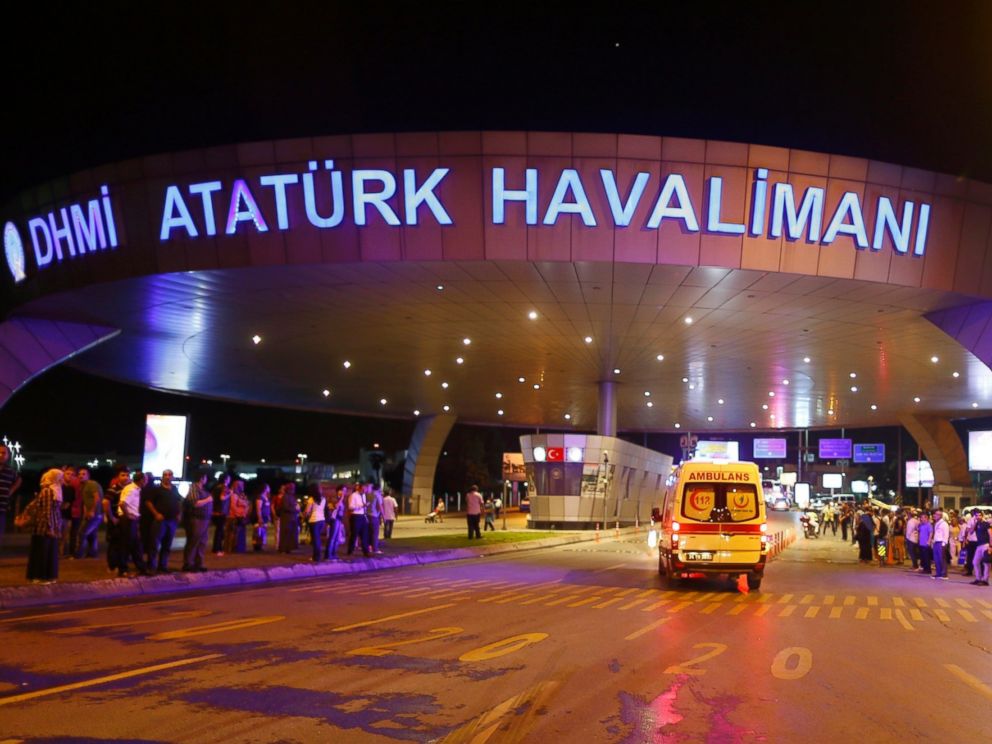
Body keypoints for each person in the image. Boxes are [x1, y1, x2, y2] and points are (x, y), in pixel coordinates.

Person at [26, 469, 63, 584]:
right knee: (42, 552)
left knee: (50, 552)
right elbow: (47, 511)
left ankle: (48, 576)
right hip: (44, 527)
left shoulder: (56, 490)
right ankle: (39, 576)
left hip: (52, 524)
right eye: (59, 477)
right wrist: (50, 527)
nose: (62, 480)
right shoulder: (48, 491)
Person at [147, 469, 182, 572]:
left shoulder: (174, 489)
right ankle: (151, 567)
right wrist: (156, 514)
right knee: (154, 544)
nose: (167, 477)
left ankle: (163, 566)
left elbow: (179, 501)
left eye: (170, 475)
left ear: (172, 477)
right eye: (165, 475)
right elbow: (148, 502)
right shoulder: (157, 489)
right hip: (160, 521)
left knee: (167, 545)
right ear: (162, 477)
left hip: (172, 521)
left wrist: (179, 513)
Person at [117, 471, 149, 577]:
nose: (147, 481)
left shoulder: (135, 489)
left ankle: (141, 568)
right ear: (141, 480)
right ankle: (123, 569)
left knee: (136, 545)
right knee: (126, 545)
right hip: (127, 520)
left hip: (132, 519)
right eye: (146, 479)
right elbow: (122, 504)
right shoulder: (132, 489)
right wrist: (128, 515)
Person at [182, 470, 212, 572]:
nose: (206, 480)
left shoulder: (202, 489)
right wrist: (208, 500)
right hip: (196, 519)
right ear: (201, 478)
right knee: (193, 541)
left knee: (202, 542)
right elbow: (194, 503)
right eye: (205, 478)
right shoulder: (193, 488)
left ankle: (199, 563)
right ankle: (188, 563)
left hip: (204, 519)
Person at [103, 466, 129, 575]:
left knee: (124, 544)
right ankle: (112, 566)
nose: (125, 477)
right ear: (117, 477)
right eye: (123, 475)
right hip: (115, 521)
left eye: (127, 475)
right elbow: (105, 503)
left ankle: (122, 566)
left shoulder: (129, 489)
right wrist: (111, 517)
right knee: (114, 544)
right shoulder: (113, 489)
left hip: (126, 521)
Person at [74, 467, 103, 558]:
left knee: (82, 533)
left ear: (88, 476)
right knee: (92, 534)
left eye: (83, 474)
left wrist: (92, 511)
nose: (81, 476)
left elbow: (97, 498)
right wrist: (86, 513)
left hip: (95, 514)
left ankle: (79, 554)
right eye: (79, 474)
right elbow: (86, 501)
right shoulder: (84, 486)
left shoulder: (91, 484)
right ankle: (92, 554)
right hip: (92, 514)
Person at [0, 443, 22, 550]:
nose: (1, 455)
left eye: (4, 453)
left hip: (2, 509)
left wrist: (11, 490)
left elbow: (19, 480)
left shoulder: (10, 471)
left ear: (8, 455)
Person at [302, 482, 325, 562]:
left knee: (315, 540)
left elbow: (307, 511)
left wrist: (303, 514)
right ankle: (318, 556)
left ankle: (316, 557)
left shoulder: (311, 499)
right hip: (322, 520)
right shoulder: (323, 499)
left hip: (314, 521)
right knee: (318, 539)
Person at [225, 479, 249, 553]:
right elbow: (233, 507)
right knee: (233, 534)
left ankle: (239, 548)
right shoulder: (233, 495)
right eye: (241, 485)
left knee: (239, 534)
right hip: (234, 517)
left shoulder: (241, 495)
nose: (243, 487)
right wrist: (240, 514)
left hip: (241, 516)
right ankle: (231, 549)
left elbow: (246, 504)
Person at [347, 483, 371, 557]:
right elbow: (350, 507)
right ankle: (350, 550)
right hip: (355, 516)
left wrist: (365, 507)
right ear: (359, 488)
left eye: (365, 489)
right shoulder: (353, 495)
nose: (364, 491)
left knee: (364, 534)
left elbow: (363, 505)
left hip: (362, 516)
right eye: (363, 489)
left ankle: (366, 551)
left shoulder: (363, 495)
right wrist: (361, 506)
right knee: (354, 534)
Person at [211, 473, 231, 556]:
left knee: (218, 531)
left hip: (215, 511)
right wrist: (230, 493)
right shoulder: (224, 487)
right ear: (226, 479)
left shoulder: (216, 487)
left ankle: (215, 548)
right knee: (220, 531)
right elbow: (222, 498)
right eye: (229, 478)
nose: (229, 480)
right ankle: (218, 549)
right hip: (221, 512)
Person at [278, 482, 300, 553]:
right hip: (286, 518)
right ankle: (283, 549)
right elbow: (286, 507)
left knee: (290, 534)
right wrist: (295, 509)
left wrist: (297, 508)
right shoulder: (285, 496)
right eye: (292, 488)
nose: (294, 489)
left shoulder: (292, 496)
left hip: (292, 517)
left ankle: (288, 548)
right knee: (285, 534)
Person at [971, 512, 990, 586]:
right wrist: (975, 523)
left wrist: (990, 546)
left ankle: (985, 580)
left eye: (979, 515)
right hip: (979, 545)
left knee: (986, 563)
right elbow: (971, 532)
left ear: (982, 516)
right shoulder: (977, 524)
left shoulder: (986, 524)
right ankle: (978, 578)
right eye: (976, 515)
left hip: (986, 545)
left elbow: (991, 535)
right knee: (975, 562)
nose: (978, 517)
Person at [253, 483, 272, 551]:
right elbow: (258, 508)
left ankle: (261, 545)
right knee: (258, 531)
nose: (269, 489)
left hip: (265, 517)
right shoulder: (259, 497)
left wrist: (268, 516)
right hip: (260, 517)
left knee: (263, 532)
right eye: (268, 487)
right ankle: (257, 546)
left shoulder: (266, 497)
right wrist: (259, 517)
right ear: (264, 488)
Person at [367, 483, 384, 555]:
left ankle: (369, 547)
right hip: (374, 515)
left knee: (369, 533)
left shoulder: (368, 494)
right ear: (379, 488)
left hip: (367, 515)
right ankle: (375, 549)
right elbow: (380, 506)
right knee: (375, 533)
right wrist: (384, 516)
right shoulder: (377, 495)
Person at [932, 509, 949, 579]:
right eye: (934, 514)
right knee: (936, 559)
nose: (934, 515)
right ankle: (938, 573)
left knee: (942, 559)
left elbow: (946, 534)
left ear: (940, 516)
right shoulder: (936, 523)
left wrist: (944, 543)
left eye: (936, 514)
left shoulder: (944, 524)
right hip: (936, 542)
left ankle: (944, 574)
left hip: (941, 543)